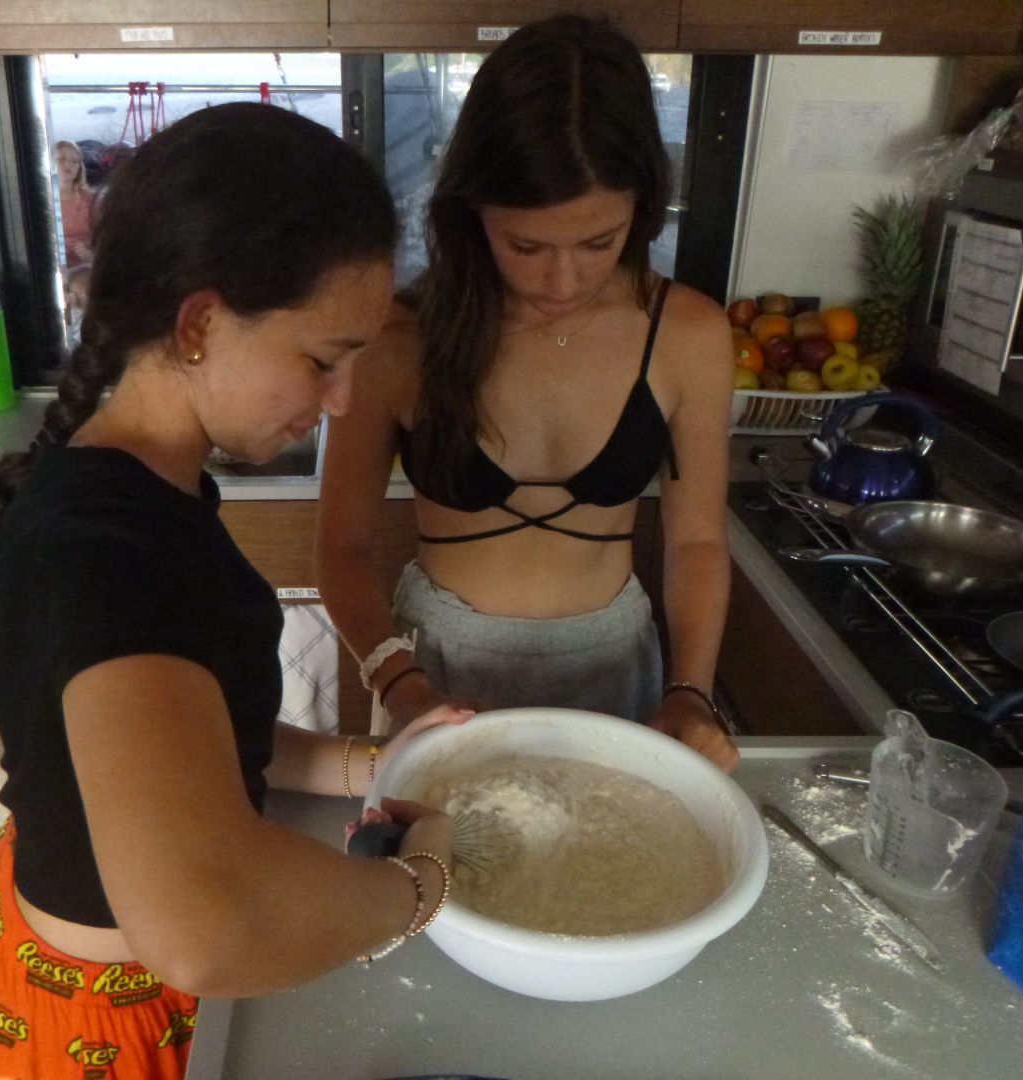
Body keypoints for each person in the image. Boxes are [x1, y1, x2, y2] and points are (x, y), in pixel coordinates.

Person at [0, 102, 469, 1080]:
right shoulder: (106, 545)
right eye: (323, 360)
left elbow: (189, 732)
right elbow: (202, 929)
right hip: (107, 1017)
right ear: (199, 323)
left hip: (72, 961)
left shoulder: (142, 485)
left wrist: (371, 764)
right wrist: (419, 888)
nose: (342, 402)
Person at [315, 15, 740, 772]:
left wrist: (690, 691)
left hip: (616, 662)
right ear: (472, 212)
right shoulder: (400, 337)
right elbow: (340, 549)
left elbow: (697, 542)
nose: (563, 281)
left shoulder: (688, 334)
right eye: (527, 246)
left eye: (599, 243)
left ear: (642, 211)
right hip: (437, 666)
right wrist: (400, 682)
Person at [55, 139, 100, 269]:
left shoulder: (91, 200)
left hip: (85, 266)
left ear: (79, 168)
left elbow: (103, 233)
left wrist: (90, 251)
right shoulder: (43, 201)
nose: (68, 165)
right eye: (61, 159)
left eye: (75, 161)